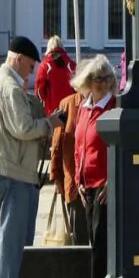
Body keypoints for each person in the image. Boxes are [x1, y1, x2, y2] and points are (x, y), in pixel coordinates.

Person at [0, 36, 65, 278]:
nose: (32, 72)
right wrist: (50, 123)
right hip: (11, 173)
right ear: (19, 59)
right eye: (31, 65)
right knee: (10, 244)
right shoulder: (10, 87)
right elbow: (23, 128)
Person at [71, 55, 119, 278]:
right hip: (86, 184)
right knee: (92, 239)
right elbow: (79, 145)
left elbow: (119, 148)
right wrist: (78, 178)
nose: (101, 83)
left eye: (106, 78)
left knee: (101, 243)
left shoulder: (114, 107)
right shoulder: (83, 107)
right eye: (96, 78)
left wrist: (112, 181)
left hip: (104, 184)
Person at [49, 80, 89, 246]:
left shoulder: (109, 104)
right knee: (79, 236)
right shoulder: (68, 104)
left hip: (98, 183)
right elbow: (57, 144)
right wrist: (56, 176)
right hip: (73, 180)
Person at [35, 35, 77, 116]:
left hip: (52, 110)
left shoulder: (45, 65)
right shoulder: (71, 64)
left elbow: (39, 89)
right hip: (70, 109)